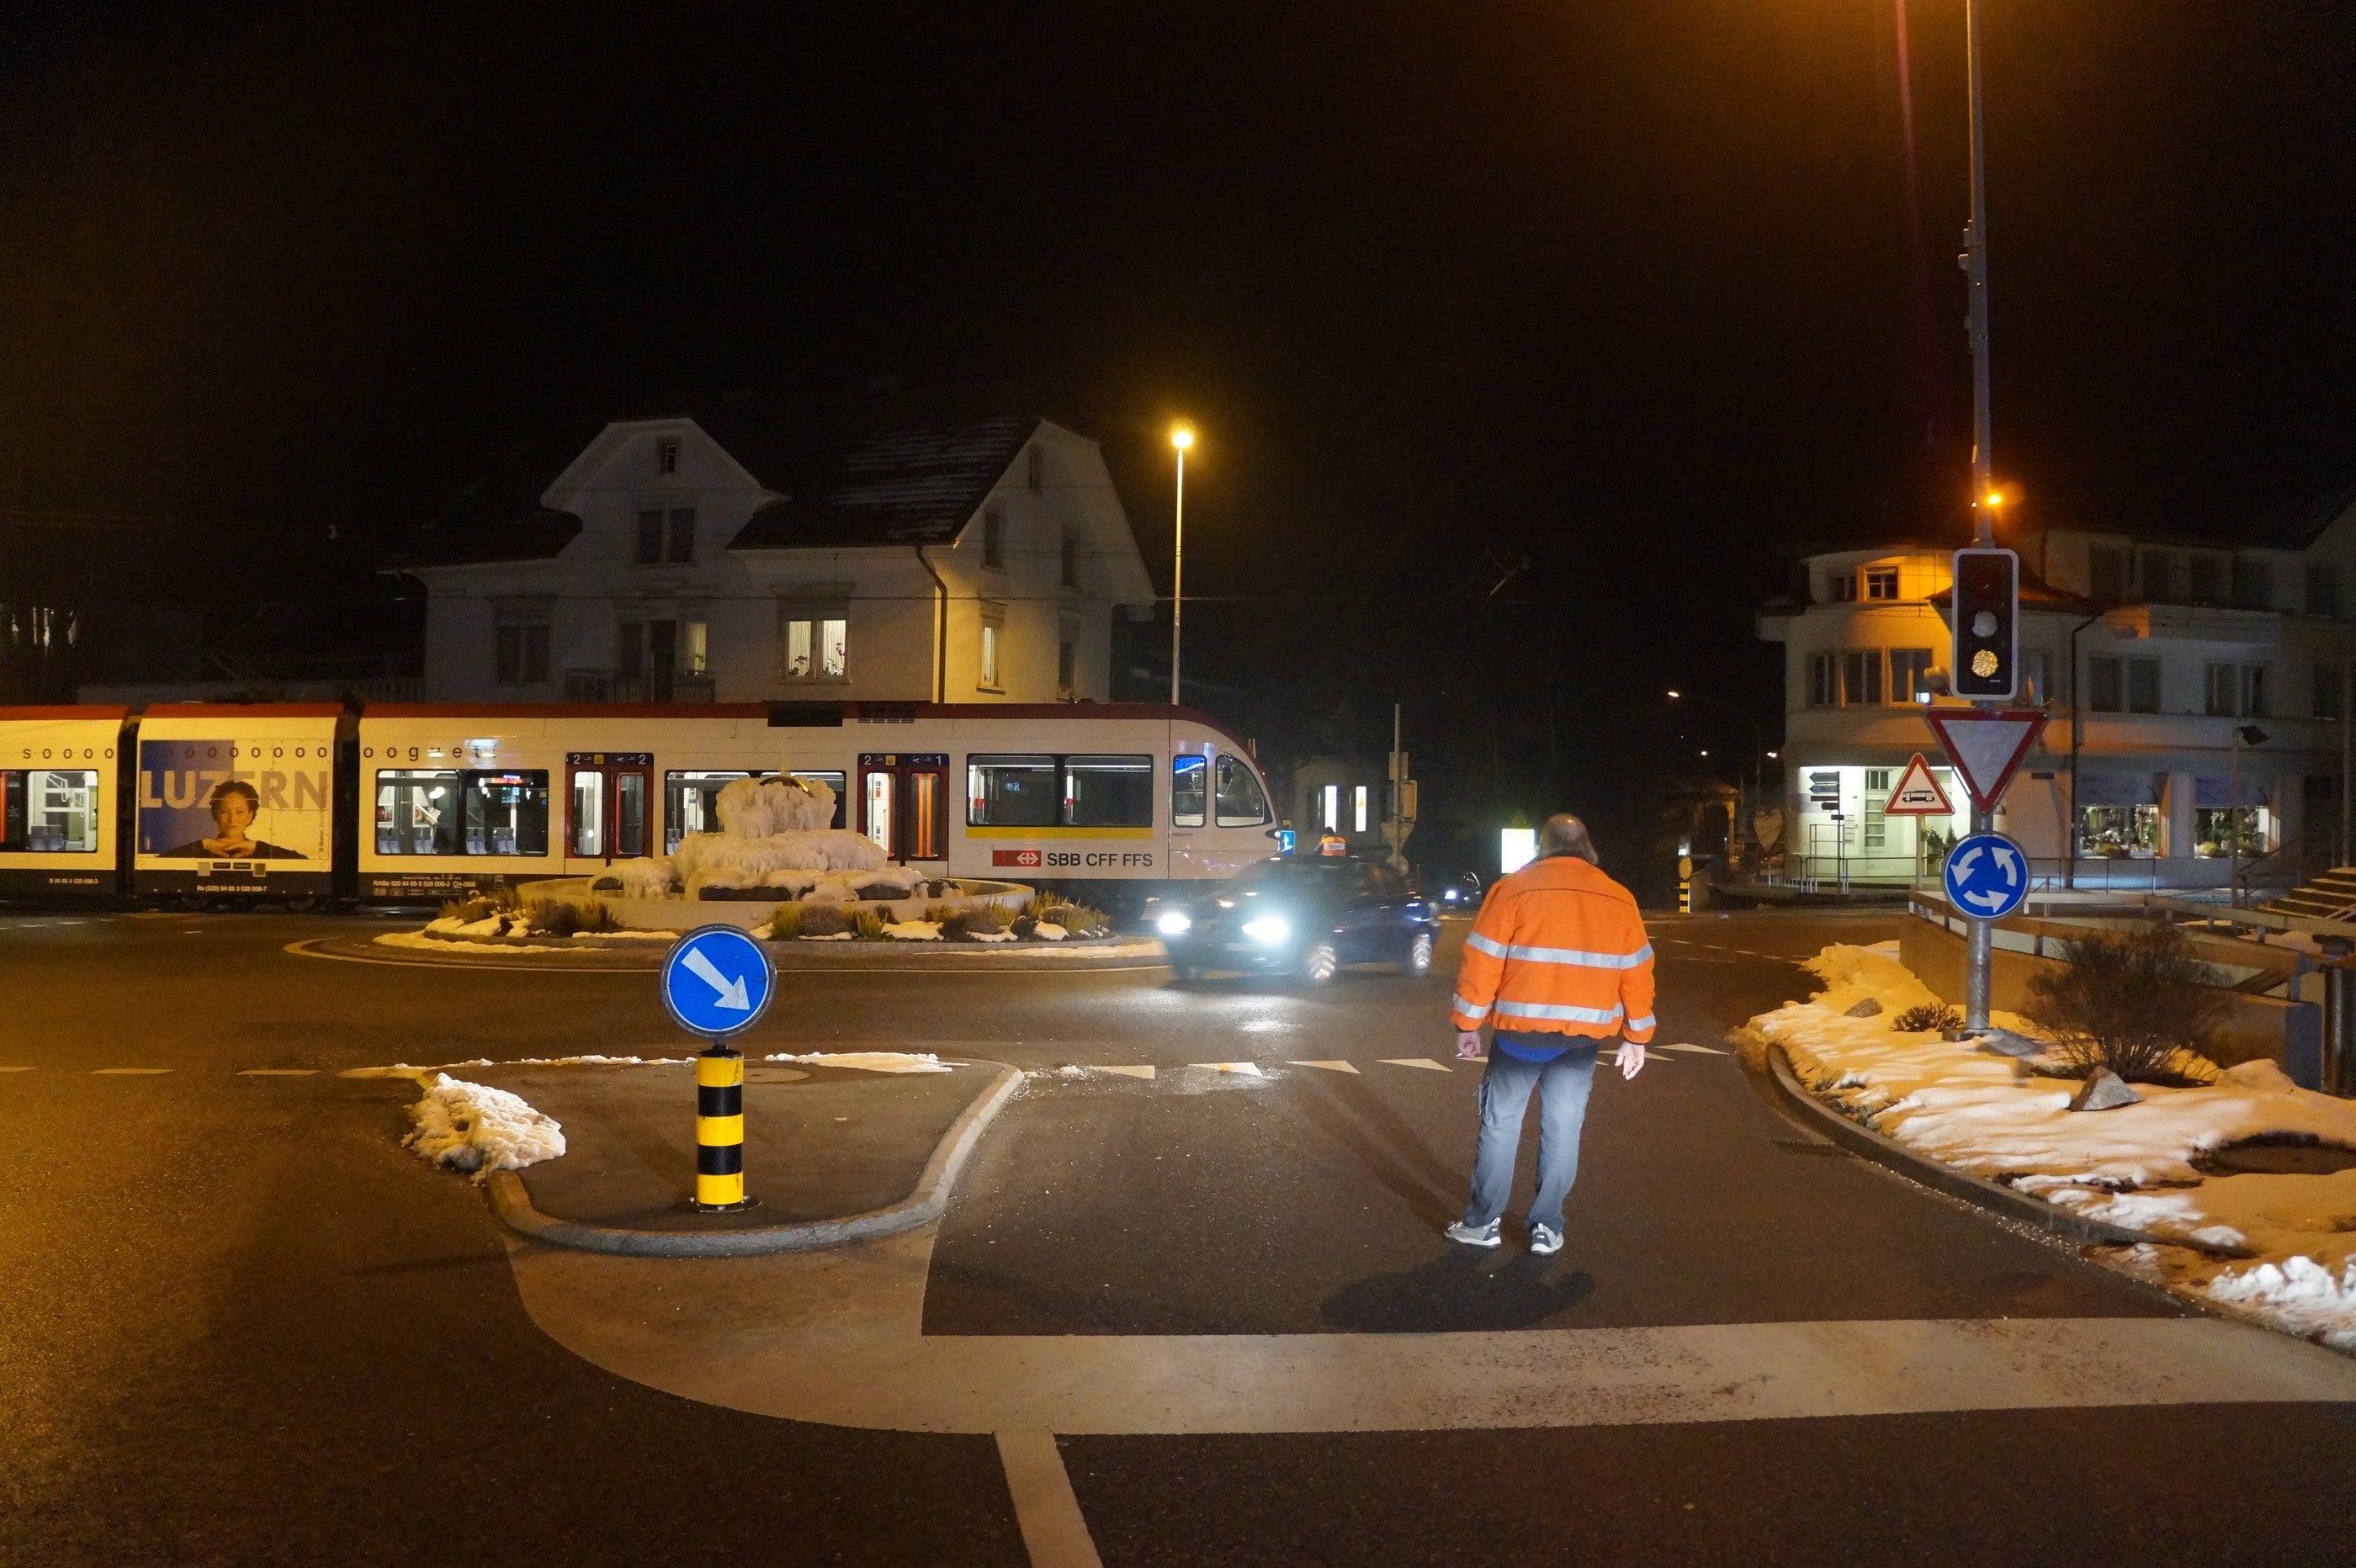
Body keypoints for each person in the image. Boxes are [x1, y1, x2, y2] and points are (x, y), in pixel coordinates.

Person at [1444, 813, 1652, 1256]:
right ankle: (1546, 1226)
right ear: (1587, 847)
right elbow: (1637, 972)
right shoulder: (1619, 898)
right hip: (1580, 1044)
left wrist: (1468, 1024)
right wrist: (1636, 1036)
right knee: (1562, 1131)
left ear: (1543, 846)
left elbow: (1482, 963)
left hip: (1521, 1038)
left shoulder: (1513, 890)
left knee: (1500, 1127)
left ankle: (1482, 1225)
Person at [162, 779, 306, 859]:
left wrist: (257, 847)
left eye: (240, 812)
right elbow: (161, 862)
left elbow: (302, 862)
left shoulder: (259, 850)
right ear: (215, 815)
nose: (232, 820)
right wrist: (204, 845)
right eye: (224, 811)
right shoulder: (202, 849)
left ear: (251, 815)